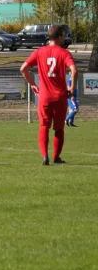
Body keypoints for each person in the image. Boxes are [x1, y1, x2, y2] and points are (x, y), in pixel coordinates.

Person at [20, 25, 77, 165]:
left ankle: (45, 156)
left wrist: (33, 84)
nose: (64, 38)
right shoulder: (64, 53)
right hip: (59, 97)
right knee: (59, 129)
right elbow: (74, 71)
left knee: (43, 127)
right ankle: (56, 158)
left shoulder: (39, 52)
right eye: (63, 36)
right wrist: (71, 88)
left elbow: (23, 69)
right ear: (58, 37)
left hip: (44, 97)